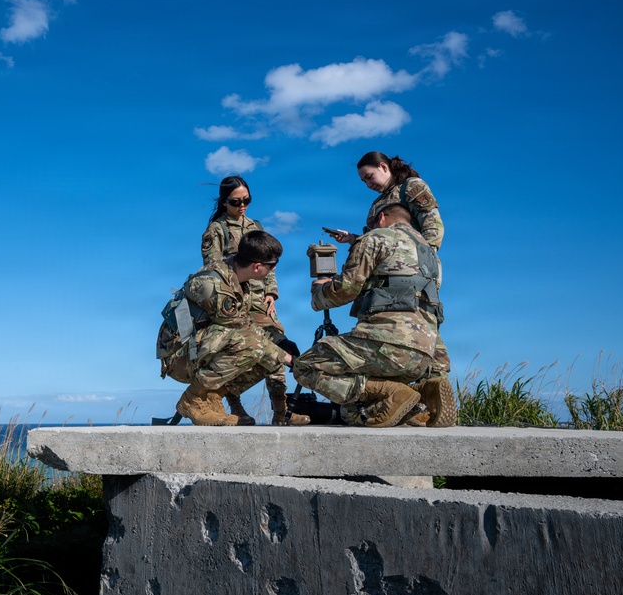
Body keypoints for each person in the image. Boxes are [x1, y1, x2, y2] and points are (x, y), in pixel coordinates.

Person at [293, 204, 456, 427]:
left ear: (381, 217)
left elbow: (344, 290)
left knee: (306, 366)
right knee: (355, 412)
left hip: (386, 344)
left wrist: (319, 290)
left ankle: (393, 391)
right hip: (425, 355)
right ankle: (421, 393)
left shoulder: (376, 238)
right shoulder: (431, 256)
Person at [326, 152, 454, 424]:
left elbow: (433, 226)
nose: (367, 184)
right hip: (399, 271)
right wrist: (354, 239)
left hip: (415, 271)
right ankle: (427, 398)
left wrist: (422, 262)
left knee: (404, 322)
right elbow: (388, 238)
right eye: (363, 181)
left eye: (369, 176)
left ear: (383, 167)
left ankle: (424, 394)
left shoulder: (413, 187)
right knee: (420, 328)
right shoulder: (380, 201)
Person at [201, 176, 308, 426]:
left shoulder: (255, 225)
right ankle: (236, 407)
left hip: (261, 300)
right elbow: (213, 270)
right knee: (242, 350)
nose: (242, 206)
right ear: (224, 201)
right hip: (236, 299)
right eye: (235, 201)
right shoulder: (216, 230)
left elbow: (270, 261)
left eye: (246, 200)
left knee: (279, 348)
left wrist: (272, 293)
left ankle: (282, 413)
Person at [172, 231, 294, 426]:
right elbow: (241, 329)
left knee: (269, 353)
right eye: (272, 265)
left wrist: (280, 346)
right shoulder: (214, 284)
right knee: (255, 345)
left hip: (203, 345)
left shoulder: (237, 277)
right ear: (257, 267)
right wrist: (288, 359)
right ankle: (193, 399)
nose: (273, 270)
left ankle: (212, 397)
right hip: (180, 356)